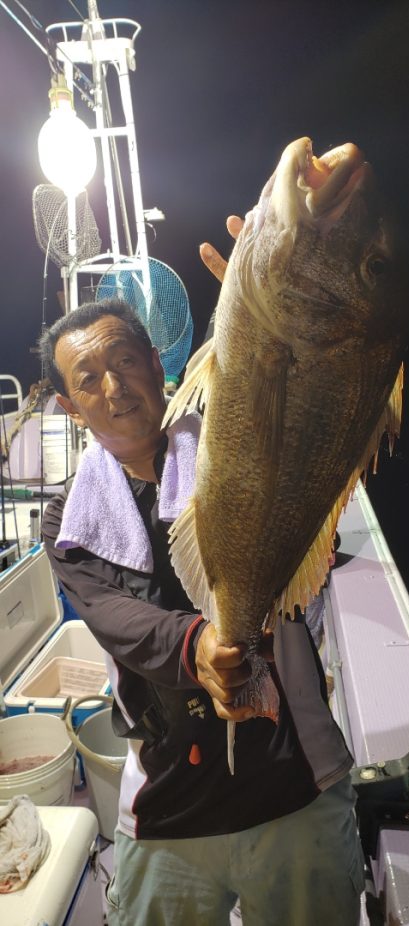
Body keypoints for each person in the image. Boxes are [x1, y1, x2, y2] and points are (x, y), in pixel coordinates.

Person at [40, 243, 364, 926]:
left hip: (296, 780)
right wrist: (201, 648)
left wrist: (291, 313)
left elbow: (305, 414)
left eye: (125, 359)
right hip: (169, 804)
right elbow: (116, 619)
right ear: (72, 408)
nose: (114, 385)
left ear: (158, 364)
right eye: (89, 376)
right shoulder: (67, 521)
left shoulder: (234, 435)